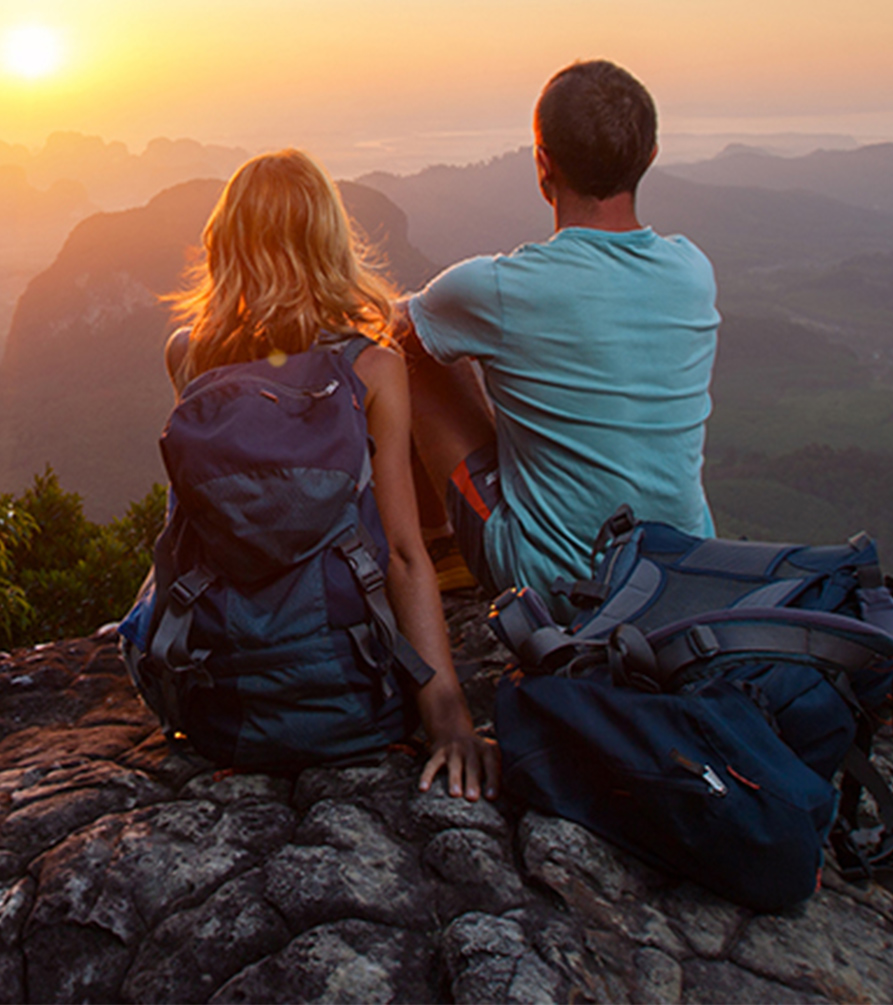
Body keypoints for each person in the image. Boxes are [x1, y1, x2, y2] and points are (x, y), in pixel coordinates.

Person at [164, 148, 499, 801]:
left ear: (225, 242)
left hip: (218, 709)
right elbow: (403, 553)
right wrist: (449, 718)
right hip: (351, 706)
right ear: (330, 242)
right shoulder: (372, 367)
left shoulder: (188, 356)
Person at [400, 59, 720, 613]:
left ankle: (441, 551)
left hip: (559, 587)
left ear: (542, 163)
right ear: (649, 158)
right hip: (686, 575)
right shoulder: (694, 270)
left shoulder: (496, 288)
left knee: (412, 350)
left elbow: (394, 325)